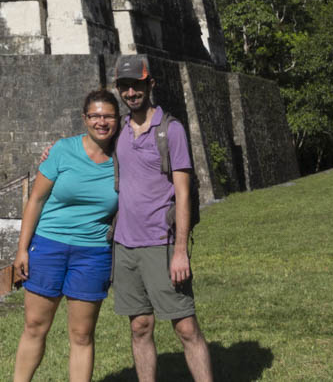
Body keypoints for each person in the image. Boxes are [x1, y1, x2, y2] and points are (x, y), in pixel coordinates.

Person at [111, 54, 214, 382]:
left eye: (137, 85)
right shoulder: (119, 129)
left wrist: (180, 251)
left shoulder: (171, 130)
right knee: (140, 327)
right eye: (125, 86)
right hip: (125, 246)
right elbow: (88, 144)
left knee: (186, 327)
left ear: (150, 84)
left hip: (161, 243)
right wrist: (51, 151)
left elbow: (183, 193)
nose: (131, 92)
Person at [13, 89, 121, 382]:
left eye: (108, 116)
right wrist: (22, 249)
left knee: (82, 335)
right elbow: (35, 200)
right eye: (95, 115)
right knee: (35, 326)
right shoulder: (62, 150)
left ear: (117, 120)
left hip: (93, 253)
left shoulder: (123, 158)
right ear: (85, 118)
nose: (101, 122)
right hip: (48, 246)